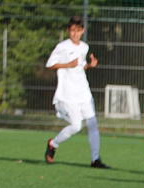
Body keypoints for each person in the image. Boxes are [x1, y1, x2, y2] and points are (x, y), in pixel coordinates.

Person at [44, 16, 109, 169]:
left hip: (83, 91)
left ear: (82, 31)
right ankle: (53, 144)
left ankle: (95, 159)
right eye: (73, 30)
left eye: (78, 31)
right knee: (76, 126)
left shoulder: (84, 47)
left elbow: (80, 66)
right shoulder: (62, 47)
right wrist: (68, 64)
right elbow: (49, 64)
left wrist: (89, 66)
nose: (75, 34)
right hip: (68, 93)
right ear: (68, 30)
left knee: (92, 124)